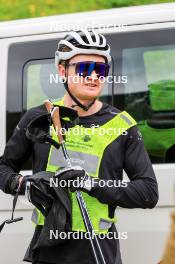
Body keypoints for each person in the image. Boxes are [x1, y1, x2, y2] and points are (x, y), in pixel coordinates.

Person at [0, 29, 159, 264]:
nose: (94, 76)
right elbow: (4, 168)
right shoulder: (39, 118)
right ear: (62, 70)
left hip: (99, 254)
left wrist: (92, 185)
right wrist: (23, 184)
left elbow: (148, 193)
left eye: (102, 69)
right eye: (84, 68)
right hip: (48, 252)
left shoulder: (123, 126)